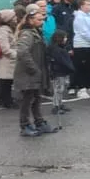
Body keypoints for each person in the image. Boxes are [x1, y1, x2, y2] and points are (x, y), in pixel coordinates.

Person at [13, 9, 57, 137]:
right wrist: (33, 68)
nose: (41, 22)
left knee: (37, 98)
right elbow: (22, 52)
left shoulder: (37, 32)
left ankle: (39, 122)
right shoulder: (27, 34)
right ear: (30, 20)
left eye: (42, 19)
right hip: (28, 73)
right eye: (38, 19)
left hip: (37, 72)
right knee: (27, 100)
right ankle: (25, 125)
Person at [0, 8, 22, 109]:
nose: (16, 19)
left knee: (9, 82)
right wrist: (17, 54)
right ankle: (7, 102)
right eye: (14, 17)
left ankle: (9, 100)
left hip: (12, 61)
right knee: (5, 83)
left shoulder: (11, 29)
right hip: (7, 61)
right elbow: (5, 49)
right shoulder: (3, 31)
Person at [47, 30, 74, 116]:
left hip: (61, 72)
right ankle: (56, 106)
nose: (66, 39)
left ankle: (60, 104)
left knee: (61, 89)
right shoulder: (56, 49)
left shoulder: (58, 48)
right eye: (65, 37)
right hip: (58, 72)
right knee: (58, 89)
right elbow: (61, 61)